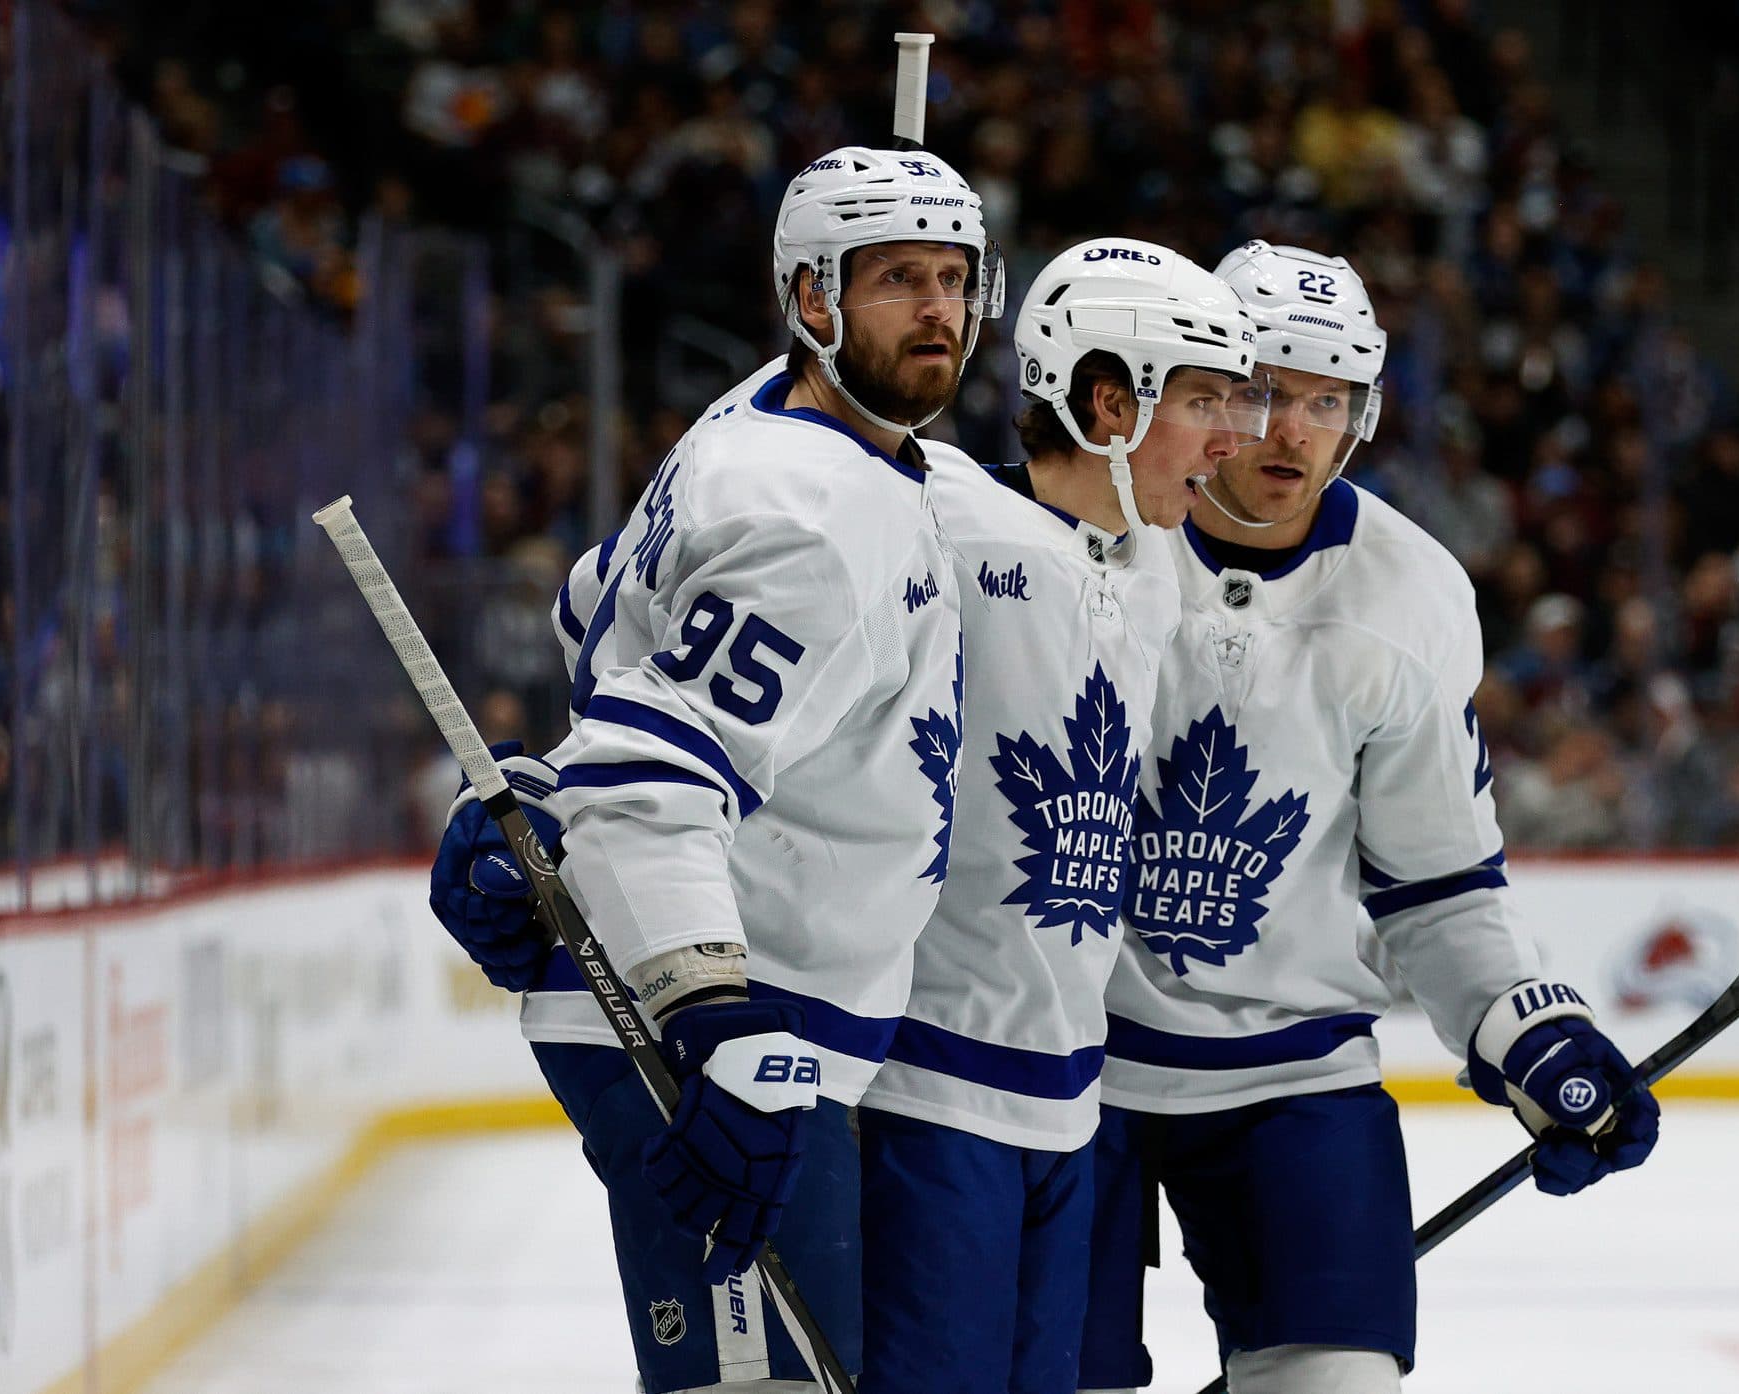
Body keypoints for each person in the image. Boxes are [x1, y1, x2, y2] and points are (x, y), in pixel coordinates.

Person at [429, 143, 1001, 1391]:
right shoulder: (813, 513)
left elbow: (597, 614)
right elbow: (655, 779)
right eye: (898, 279)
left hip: (748, 1007)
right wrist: (711, 1016)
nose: (940, 313)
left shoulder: (764, 421)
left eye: (955, 279)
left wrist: (550, 786)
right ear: (810, 299)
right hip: (725, 1022)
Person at [1077, 243, 1660, 1394]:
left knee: (1337, 1381)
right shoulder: (1078, 535)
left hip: (1287, 1074)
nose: (1291, 430)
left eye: (1325, 399)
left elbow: (1434, 875)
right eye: (1261, 391)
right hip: (1056, 1061)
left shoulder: (1411, 592)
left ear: (1362, 413)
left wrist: (1522, 1026)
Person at [852, 238, 1266, 1393]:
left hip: (1067, 1104)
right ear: (1104, 400)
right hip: (923, 1093)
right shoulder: (929, 512)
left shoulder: (1147, 559)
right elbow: (627, 585)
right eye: (1200, 399)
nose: (1230, 438)